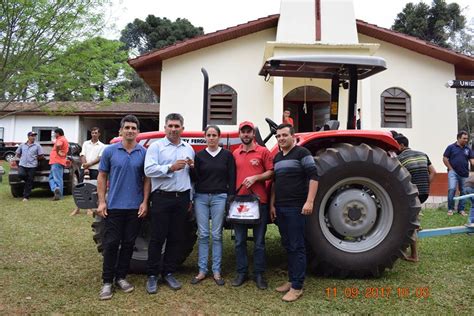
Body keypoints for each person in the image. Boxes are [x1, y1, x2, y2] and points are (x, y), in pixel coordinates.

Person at [96, 114, 150, 300]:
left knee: (129, 244)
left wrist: (144, 202)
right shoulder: (110, 151)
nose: (130, 131)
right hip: (114, 206)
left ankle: (121, 277)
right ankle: (107, 282)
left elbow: (146, 179)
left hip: (134, 207)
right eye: (126, 128)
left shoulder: (143, 152)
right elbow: (102, 176)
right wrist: (102, 201)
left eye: (133, 128)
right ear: (121, 131)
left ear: (138, 132)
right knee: (111, 243)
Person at [144, 113, 195, 293]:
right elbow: (148, 169)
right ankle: (152, 276)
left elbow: (190, 176)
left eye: (177, 126)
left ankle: (169, 273)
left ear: (182, 128)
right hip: (162, 197)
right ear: (165, 127)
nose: (173, 129)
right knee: (157, 238)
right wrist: (170, 168)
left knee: (176, 238)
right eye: (170, 126)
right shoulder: (156, 147)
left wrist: (190, 197)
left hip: (181, 198)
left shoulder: (189, 149)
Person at [270, 123, 319, 302]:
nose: (281, 138)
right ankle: (291, 280)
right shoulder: (277, 158)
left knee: (297, 246)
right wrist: (272, 205)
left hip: (296, 207)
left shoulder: (302, 153)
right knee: (288, 245)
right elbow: (275, 183)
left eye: (284, 135)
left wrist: (310, 201)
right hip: (281, 207)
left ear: (293, 136)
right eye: (278, 136)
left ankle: (297, 287)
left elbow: (314, 177)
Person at [191, 125, 236, 286]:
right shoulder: (199, 156)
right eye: (208, 135)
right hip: (201, 197)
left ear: (219, 137)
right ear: (205, 137)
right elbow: (195, 178)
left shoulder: (227, 156)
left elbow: (232, 177)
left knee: (216, 234)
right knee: (203, 234)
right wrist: (191, 168)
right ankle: (202, 271)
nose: (211, 138)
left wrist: (230, 198)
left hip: (220, 197)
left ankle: (216, 271)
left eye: (214, 135)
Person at [231, 121, 274, 290]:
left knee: (259, 242)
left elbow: (272, 171)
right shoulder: (235, 153)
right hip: (240, 203)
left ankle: (259, 274)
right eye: (243, 132)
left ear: (253, 134)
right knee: (239, 241)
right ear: (239, 134)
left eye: (249, 132)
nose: (246, 134)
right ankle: (242, 272)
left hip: (259, 202)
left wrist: (256, 178)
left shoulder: (263, 151)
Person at [395, 135, 436, 262]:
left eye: (396, 145)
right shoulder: (422, 154)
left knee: (410, 223)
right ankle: (417, 223)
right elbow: (434, 172)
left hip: (412, 193)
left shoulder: (400, 158)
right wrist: (426, 185)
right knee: (413, 218)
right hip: (424, 192)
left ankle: (414, 255)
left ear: (401, 145)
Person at [71, 127, 105, 216]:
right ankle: (77, 208)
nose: (94, 134)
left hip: (95, 169)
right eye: (93, 133)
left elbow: (99, 158)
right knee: (80, 187)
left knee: (92, 188)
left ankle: (89, 208)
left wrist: (88, 164)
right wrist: (85, 166)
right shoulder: (86, 143)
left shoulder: (102, 146)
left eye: (96, 133)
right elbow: (82, 155)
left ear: (99, 134)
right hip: (84, 168)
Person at [443, 131, 474, 216]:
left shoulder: (468, 149)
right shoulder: (451, 147)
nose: (466, 140)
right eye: (464, 138)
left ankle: (461, 210)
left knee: (463, 191)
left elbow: (472, 160)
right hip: (453, 172)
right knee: (452, 189)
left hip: (464, 173)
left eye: (467, 138)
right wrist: (450, 169)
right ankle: (450, 209)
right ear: (458, 138)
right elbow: (445, 158)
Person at [15, 131, 44, 201]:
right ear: (28, 137)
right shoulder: (22, 145)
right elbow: (17, 153)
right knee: (21, 175)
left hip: (32, 166)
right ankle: (29, 181)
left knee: (29, 181)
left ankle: (26, 197)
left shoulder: (37, 146)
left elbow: (41, 156)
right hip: (23, 164)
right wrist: (22, 157)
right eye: (32, 136)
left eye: (34, 136)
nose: (33, 137)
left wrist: (36, 158)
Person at [48, 128, 69, 200]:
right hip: (56, 161)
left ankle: (59, 194)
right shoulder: (62, 139)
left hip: (57, 161)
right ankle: (55, 189)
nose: (54, 134)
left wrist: (57, 152)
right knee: (51, 178)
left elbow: (58, 145)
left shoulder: (61, 139)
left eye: (55, 133)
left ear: (58, 133)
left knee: (57, 178)